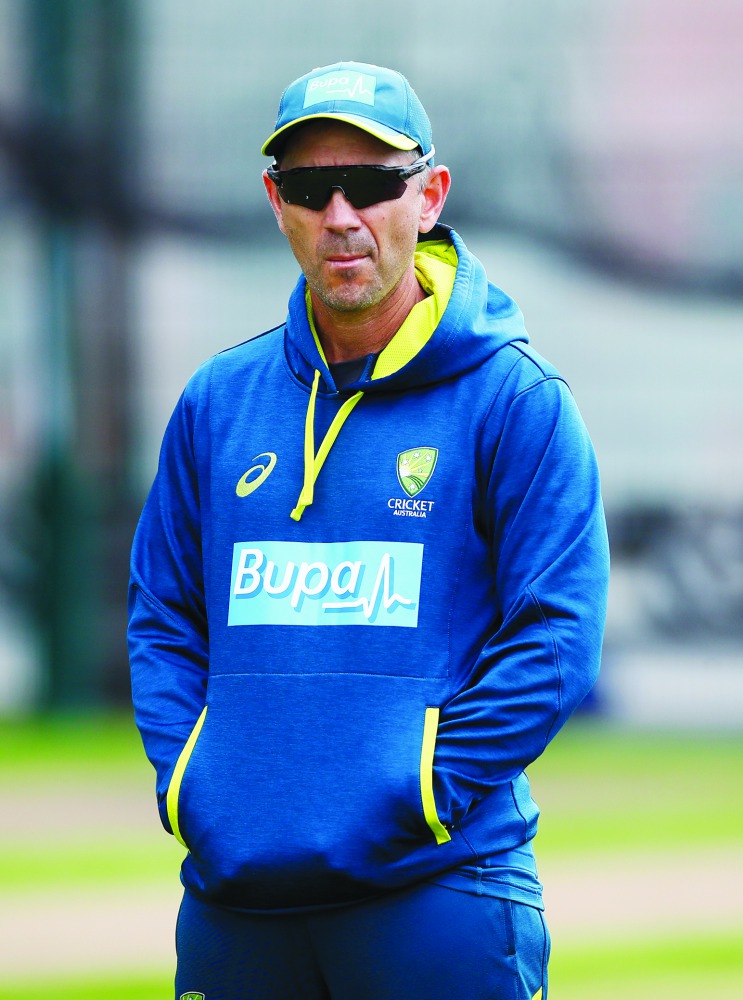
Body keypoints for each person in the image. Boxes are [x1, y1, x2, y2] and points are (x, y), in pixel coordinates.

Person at [128, 61, 609, 1000]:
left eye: (374, 184)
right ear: (277, 203)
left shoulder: (517, 400)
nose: (340, 216)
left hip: (436, 894)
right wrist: (200, 787)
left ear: (426, 196)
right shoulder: (217, 401)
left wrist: (418, 792)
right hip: (236, 910)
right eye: (311, 188)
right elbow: (160, 619)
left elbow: (556, 642)